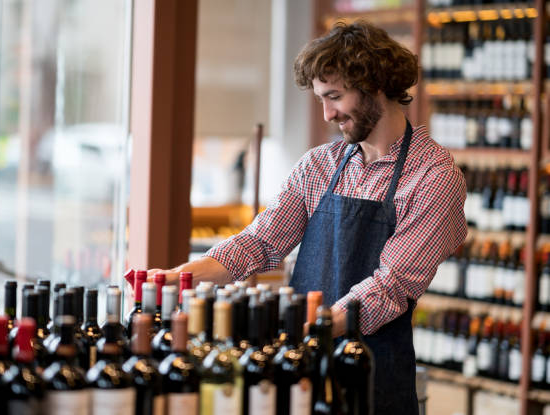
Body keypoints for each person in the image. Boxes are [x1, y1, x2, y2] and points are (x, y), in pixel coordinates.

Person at [142, 20, 467, 414]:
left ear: (375, 86)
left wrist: (311, 326)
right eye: (320, 99)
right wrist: (179, 277)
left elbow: (390, 287)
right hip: (304, 370)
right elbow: (259, 243)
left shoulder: (432, 175)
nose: (328, 113)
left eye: (335, 96)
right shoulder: (320, 165)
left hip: (371, 378)